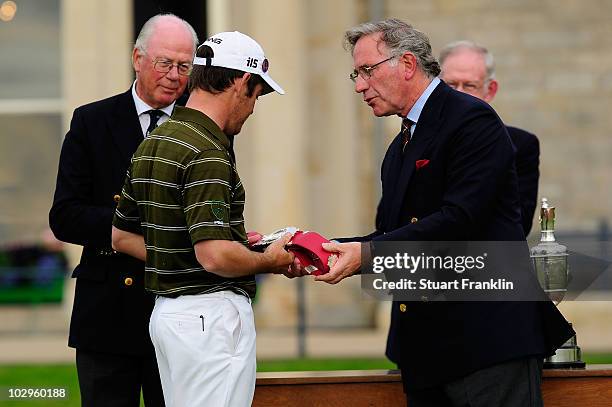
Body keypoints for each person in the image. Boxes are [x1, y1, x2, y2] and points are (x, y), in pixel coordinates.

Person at [318, 19, 574, 406]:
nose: (359, 86)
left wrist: (364, 255)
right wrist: (332, 248)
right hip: (427, 352)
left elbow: (459, 222)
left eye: (367, 71)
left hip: (485, 346)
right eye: (355, 74)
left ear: (406, 64)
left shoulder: (472, 120)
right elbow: (392, 231)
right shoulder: (400, 144)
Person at [111, 31, 301, 407]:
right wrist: (271, 260)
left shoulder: (156, 139)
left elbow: (121, 236)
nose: (253, 107)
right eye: (257, 94)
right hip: (208, 318)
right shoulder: (208, 149)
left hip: (167, 316)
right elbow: (214, 256)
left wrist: (231, 246)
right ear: (242, 82)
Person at [49, 14, 197, 406]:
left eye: (184, 66)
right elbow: (65, 215)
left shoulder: (202, 127)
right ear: (137, 58)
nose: (174, 75)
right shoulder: (92, 121)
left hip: (178, 311)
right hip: (107, 316)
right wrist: (134, 228)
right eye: (165, 62)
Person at [439, 40, 540, 235]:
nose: (458, 94)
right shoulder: (417, 137)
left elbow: (518, 224)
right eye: (451, 84)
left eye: (469, 85)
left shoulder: (520, 145)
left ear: (490, 90)